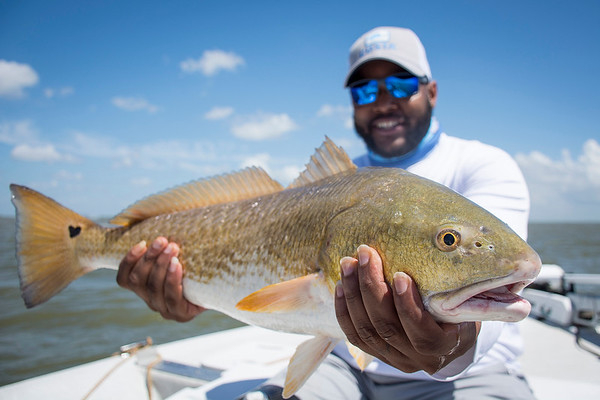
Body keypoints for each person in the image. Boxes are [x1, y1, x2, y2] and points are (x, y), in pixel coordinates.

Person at [117, 27, 534, 399]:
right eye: (366, 92)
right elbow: (251, 284)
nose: (383, 101)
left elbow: (497, 290)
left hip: (473, 378)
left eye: (401, 84)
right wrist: (194, 292)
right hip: (345, 366)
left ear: (432, 90)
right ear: (353, 103)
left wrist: (456, 345)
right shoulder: (336, 185)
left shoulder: (483, 164)